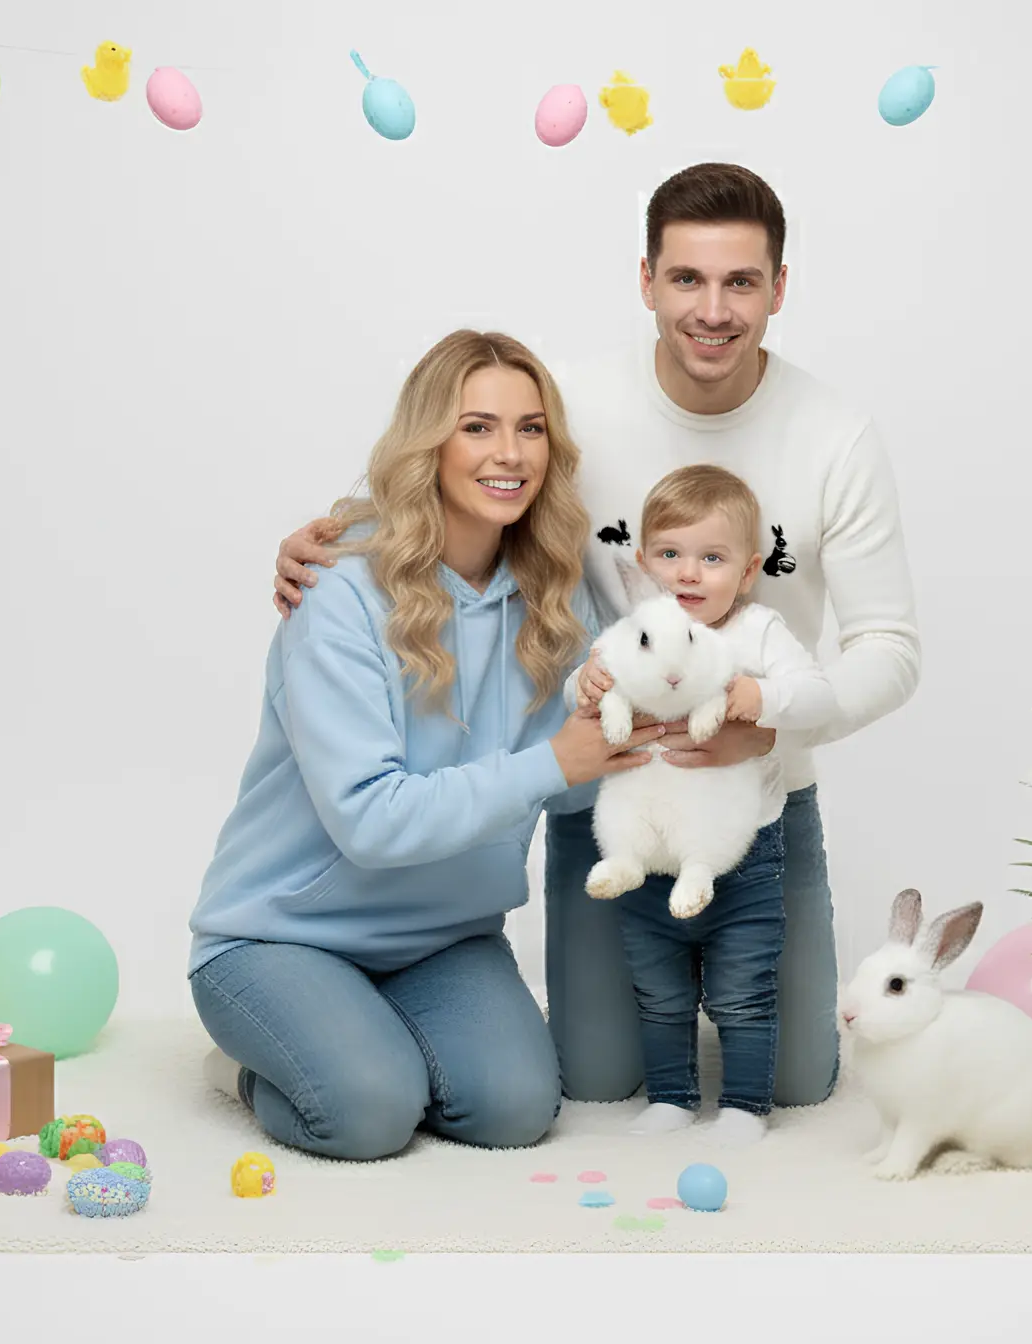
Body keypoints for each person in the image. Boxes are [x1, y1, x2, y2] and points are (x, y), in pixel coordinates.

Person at [272, 163, 921, 1110]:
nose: (713, 310)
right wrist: (337, 536)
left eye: (741, 282)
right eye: (687, 278)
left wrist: (769, 725)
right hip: (610, 791)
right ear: (647, 281)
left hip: (760, 799)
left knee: (798, 1084)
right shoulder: (572, 407)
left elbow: (889, 648)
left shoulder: (835, 436)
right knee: (597, 1081)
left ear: (779, 289)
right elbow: (465, 471)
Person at [188, 329, 666, 1161]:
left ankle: (366, 1042)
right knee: (368, 1113)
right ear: (430, 443)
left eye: (530, 428)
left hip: (443, 938)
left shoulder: (557, 600)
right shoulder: (338, 589)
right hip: (282, 934)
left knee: (517, 1109)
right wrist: (554, 762)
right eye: (477, 427)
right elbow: (370, 822)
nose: (509, 453)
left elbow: (585, 780)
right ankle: (252, 1066)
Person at [567, 464, 834, 1146]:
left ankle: (744, 1105)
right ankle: (672, 1098)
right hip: (651, 850)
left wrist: (760, 698)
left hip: (744, 854)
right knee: (658, 990)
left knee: (744, 988)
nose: (688, 574)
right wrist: (587, 683)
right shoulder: (633, 632)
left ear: (747, 572)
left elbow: (817, 695)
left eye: (711, 559)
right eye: (669, 555)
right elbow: (583, 685)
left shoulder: (759, 632)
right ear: (642, 566)